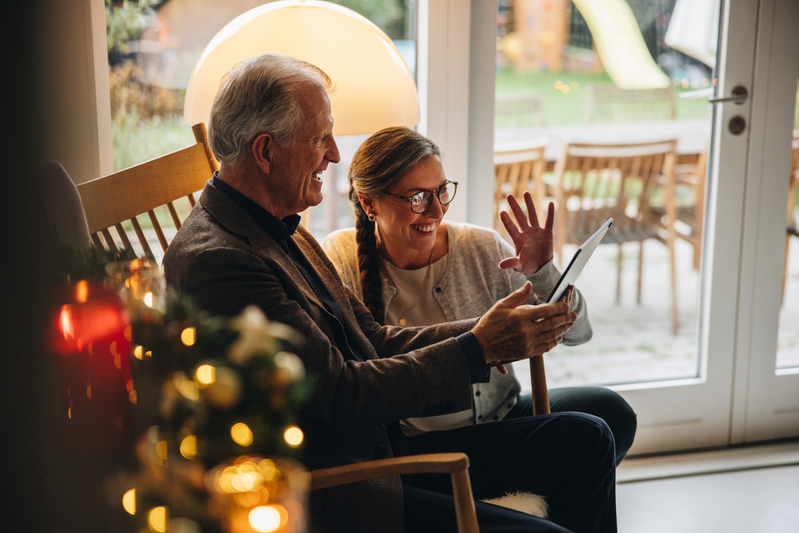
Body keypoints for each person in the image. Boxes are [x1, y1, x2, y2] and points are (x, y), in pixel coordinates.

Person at [164, 53, 617, 533]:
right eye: (320, 138)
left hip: (384, 448)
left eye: (440, 191)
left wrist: (486, 335)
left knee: (589, 435)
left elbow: (373, 340)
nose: (335, 154)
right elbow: (342, 395)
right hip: (355, 481)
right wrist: (478, 348)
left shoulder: (277, 224)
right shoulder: (223, 261)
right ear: (265, 151)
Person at [322, 126, 636, 464]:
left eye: (441, 191)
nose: (435, 210)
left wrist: (543, 272)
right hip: (412, 446)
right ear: (369, 202)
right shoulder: (340, 258)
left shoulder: (480, 248)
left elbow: (578, 334)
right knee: (584, 441)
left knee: (611, 413)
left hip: (497, 421)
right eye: (417, 197)